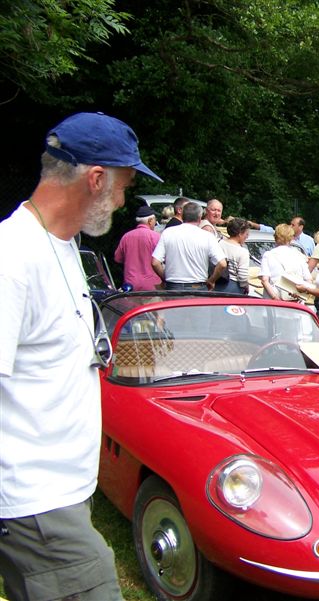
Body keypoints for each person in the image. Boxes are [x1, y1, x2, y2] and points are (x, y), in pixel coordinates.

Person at [0, 111, 162, 601]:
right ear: (95, 179)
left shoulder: (63, 246)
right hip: (35, 501)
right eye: (124, 186)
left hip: (62, 493)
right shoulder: (12, 257)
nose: (123, 200)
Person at [151, 201, 228, 290]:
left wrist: (165, 278)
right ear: (200, 218)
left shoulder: (168, 233)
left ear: (182, 216)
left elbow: (155, 262)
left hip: (173, 286)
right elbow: (222, 264)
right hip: (198, 287)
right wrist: (211, 280)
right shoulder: (208, 236)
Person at [114, 205, 162, 290]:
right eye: (155, 220)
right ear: (150, 221)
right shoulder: (156, 237)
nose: (155, 222)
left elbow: (118, 258)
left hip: (131, 286)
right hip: (152, 286)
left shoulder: (126, 237)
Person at [260, 223, 312, 300]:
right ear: (291, 238)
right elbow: (308, 279)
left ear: (275, 237)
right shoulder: (299, 256)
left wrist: (275, 298)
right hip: (295, 298)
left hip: (273, 299)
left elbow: (264, 280)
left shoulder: (268, 255)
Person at [215, 217, 250, 294]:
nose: (247, 236)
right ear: (240, 234)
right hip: (233, 287)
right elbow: (242, 276)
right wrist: (245, 286)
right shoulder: (243, 252)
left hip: (216, 281)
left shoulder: (218, 242)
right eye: (246, 234)